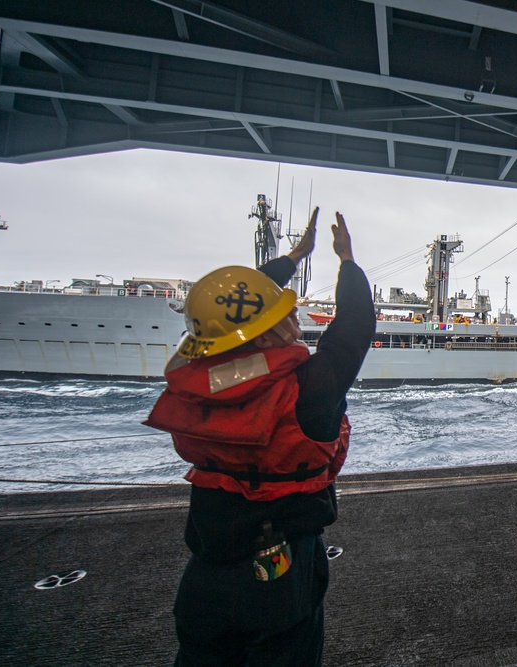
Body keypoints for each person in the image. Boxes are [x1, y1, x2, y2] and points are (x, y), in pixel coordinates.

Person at [145, 208, 376, 666]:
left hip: (209, 560)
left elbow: (224, 311)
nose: (294, 319)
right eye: (284, 316)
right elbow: (355, 327)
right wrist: (347, 262)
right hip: (282, 568)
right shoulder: (308, 391)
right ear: (268, 338)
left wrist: (292, 257)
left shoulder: (192, 380)